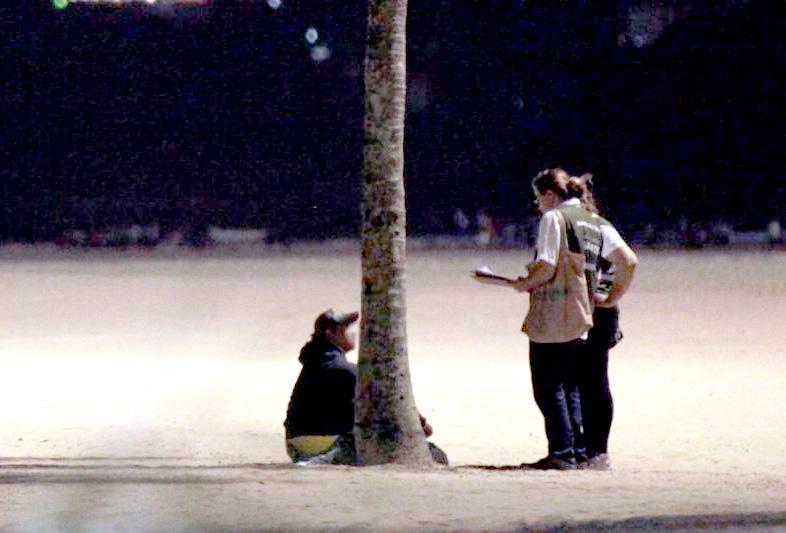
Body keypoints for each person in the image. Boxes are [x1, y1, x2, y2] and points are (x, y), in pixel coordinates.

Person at [506, 167, 605, 470]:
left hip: (556, 311)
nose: (538, 206)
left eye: (538, 199)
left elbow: (547, 264)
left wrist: (525, 283)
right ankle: (576, 450)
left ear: (550, 194)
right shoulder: (590, 219)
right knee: (570, 385)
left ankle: (561, 452)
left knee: (547, 386)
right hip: (582, 311)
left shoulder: (554, 218)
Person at [284, 309, 448, 465]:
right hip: (326, 444)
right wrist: (419, 424)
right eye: (346, 328)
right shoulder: (343, 369)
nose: (353, 334)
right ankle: (318, 462)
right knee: (435, 454)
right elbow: (388, 401)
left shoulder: (314, 365)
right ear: (330, 333)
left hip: (294, 445)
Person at [576, 176, 638, 470]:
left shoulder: (597, 226)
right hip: (584, 310)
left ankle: (598, 452)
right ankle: (585, 450)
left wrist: (609, 297)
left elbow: (627, 261)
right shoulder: (579, 225)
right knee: (582, 381)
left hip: (596, 314)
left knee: (593, 381)